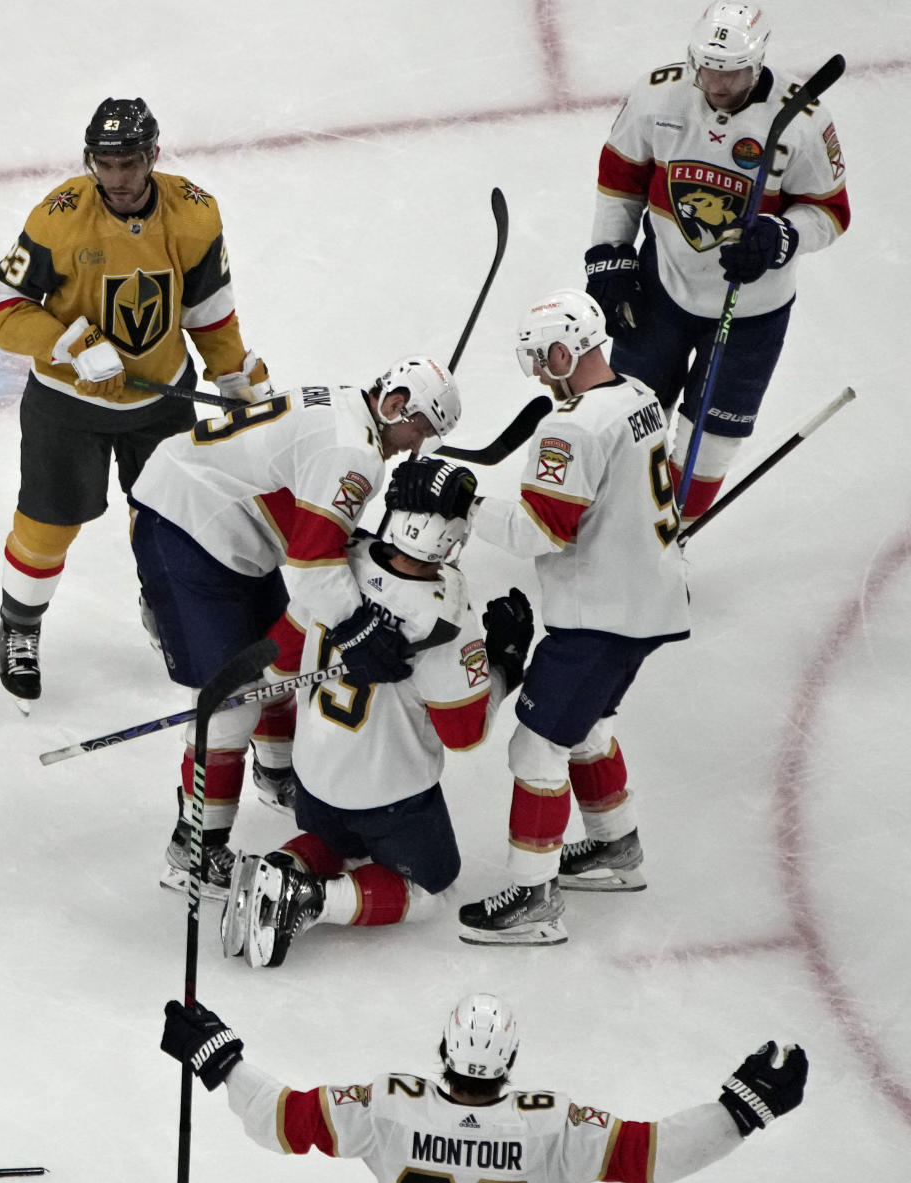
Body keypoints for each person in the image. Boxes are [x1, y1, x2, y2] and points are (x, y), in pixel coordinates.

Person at [390, 291, 689, 945]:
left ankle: (534, 901)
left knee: (536, 745)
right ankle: (617, 851)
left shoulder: (573, 426)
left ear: (562, 351)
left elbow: (538, 533)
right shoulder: (636, 394)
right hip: (648, 598)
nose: (536, 376)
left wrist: (464, 502)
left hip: (603, 615)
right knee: (585, 728)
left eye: (538, 360)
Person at [129, 364, 479, 899]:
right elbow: (313, 560)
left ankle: (274, 774)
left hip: (225, 527)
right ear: (396, 403)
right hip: (186, 528)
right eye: (421, 429)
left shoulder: (347, 404)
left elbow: (314, 543)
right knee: (231, 701)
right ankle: (194, 849)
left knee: (277, 657)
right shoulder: (356, 454)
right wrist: (358, 629)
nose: (416, 447)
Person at [0, 97, 273, 709]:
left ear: (154, 157)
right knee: (48, 525)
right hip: (67, 406)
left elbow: (207, 309)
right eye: (105, 163)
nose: (117, 178)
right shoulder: (59, 217)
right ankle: (19, 628)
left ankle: (164, 609)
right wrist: (71, 342)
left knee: (169, 526)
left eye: (130, 162)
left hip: (160, 402)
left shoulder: (194, 214)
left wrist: (232, 372)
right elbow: (0, 307)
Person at [161, 990, 809, 1183]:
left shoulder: (387, 1105)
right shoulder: (554, 1125)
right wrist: (739, 1112)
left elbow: (281, 1120)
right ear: (511, 1062)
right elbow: (656, 1155)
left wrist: (220, 1061)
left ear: (442, 1052)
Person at [218, 487, 534, 966]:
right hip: (390, 800)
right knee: (433, 884)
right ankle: (309, 900)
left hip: (312, 782)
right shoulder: (443, 615)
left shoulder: (336, 563)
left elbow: (280, 665)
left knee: (331, 845)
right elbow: (464, 733)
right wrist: (504, 665)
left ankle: (280, 868)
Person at [583, 2, 850, 521]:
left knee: (712, 441)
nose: (718, 84)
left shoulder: (803, 119)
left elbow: (831, 210)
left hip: (752, 310)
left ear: (759, 61)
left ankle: (671, 535)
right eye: (708, 69)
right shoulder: (656, 95)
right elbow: (619, 182)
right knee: (627, 417)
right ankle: (618, 528)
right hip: (660, 289)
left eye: (732, 73)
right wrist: (610, 256)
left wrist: (782, 236)